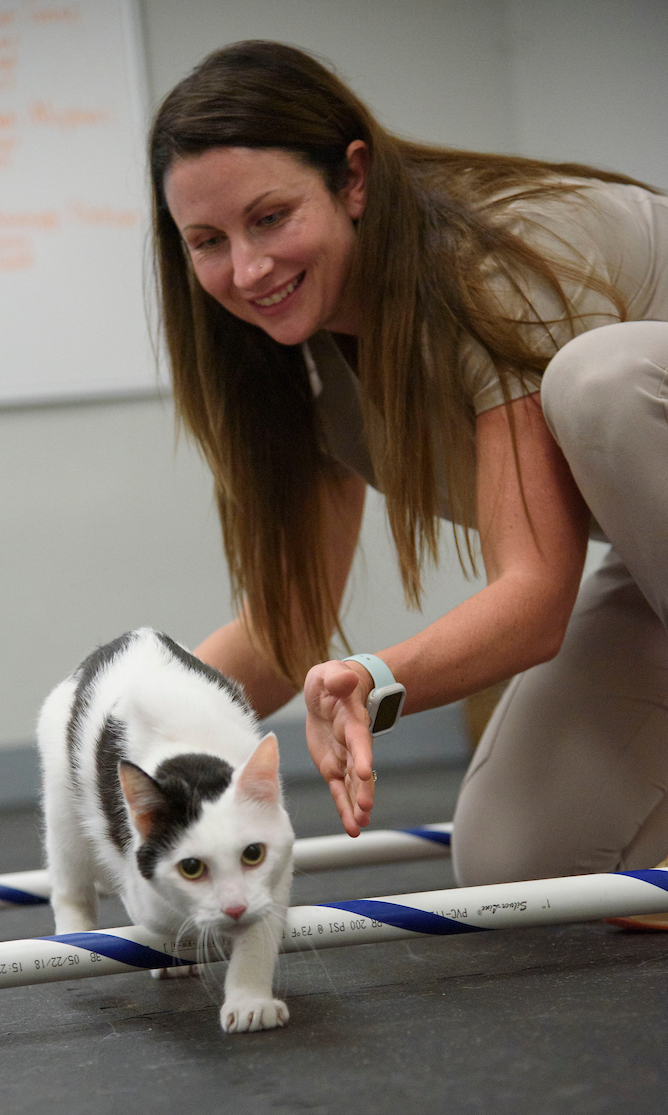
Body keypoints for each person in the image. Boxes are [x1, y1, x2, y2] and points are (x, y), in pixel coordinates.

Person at [148, 39, 668, 896]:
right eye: (207, 241)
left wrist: (375, 681)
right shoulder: (301, 361)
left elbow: (534, 595)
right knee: (519, 865)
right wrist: (126, 724)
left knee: (601, 382)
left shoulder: (493, 261)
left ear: (353, 180)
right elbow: (286, 626)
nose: (246, 270)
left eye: (270, 218)